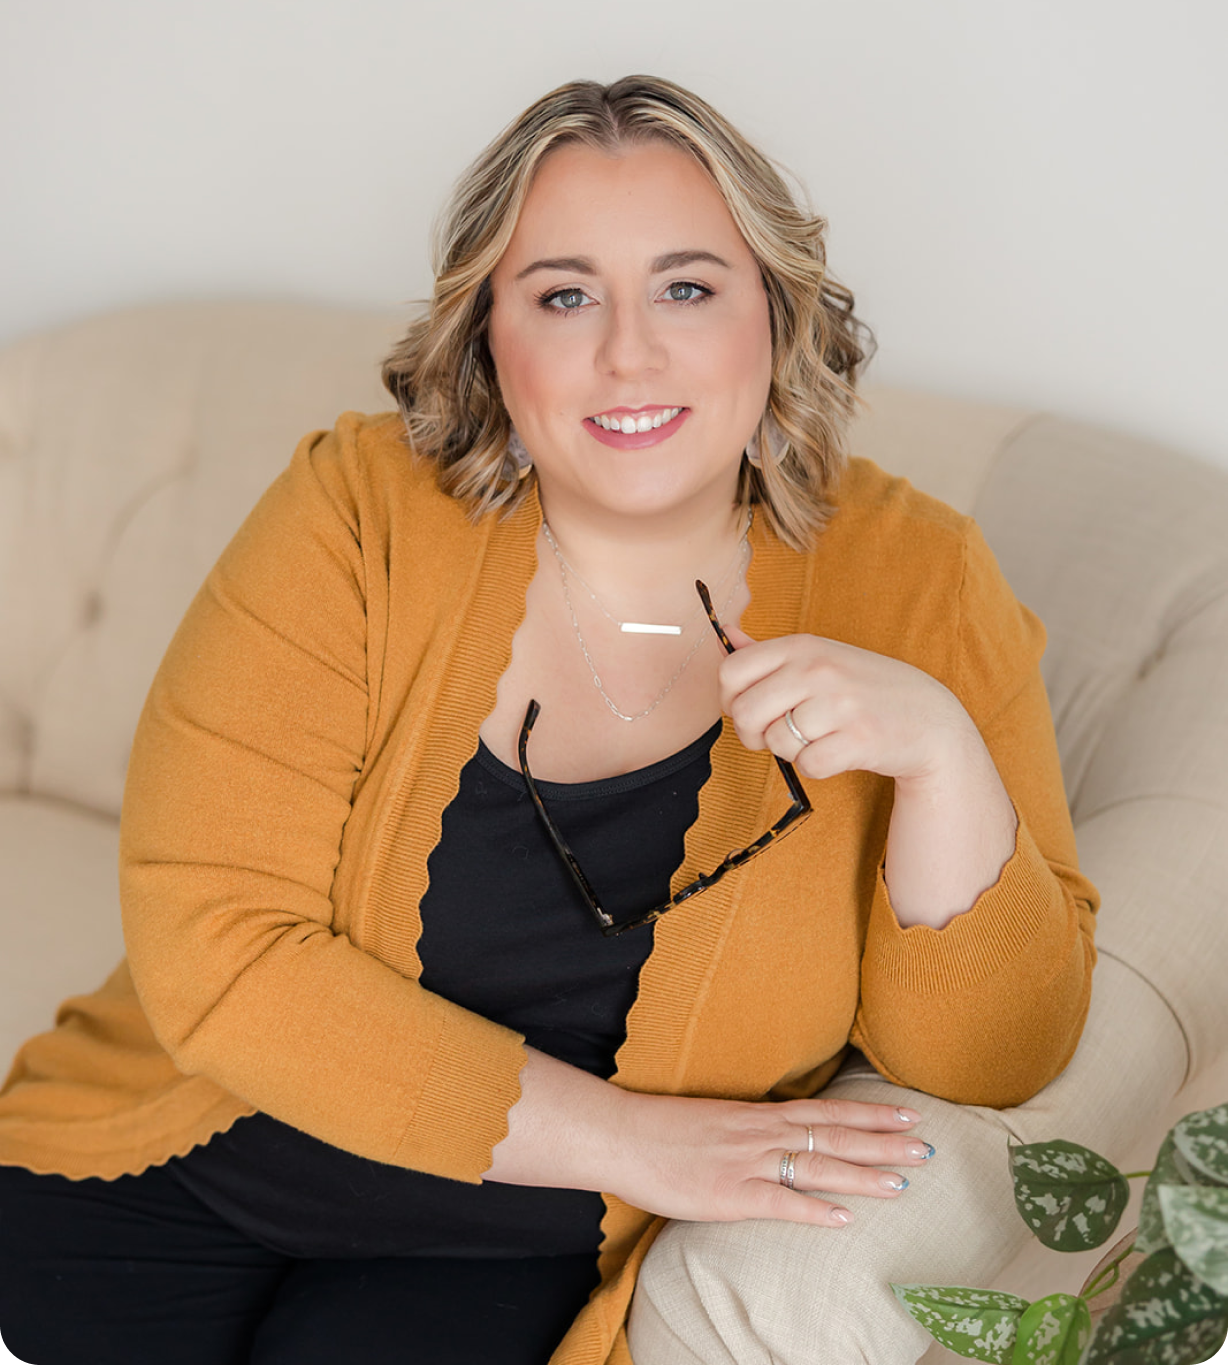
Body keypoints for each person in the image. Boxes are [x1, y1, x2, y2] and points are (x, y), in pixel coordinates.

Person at [0, 75, 1098, 1365]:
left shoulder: (919, 581)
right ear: (487, 336)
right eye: (565, 295)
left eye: (688, 287)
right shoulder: (357, 514)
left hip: (509, 1252)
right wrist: (647, 1144)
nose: (628, 352)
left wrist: (941, 759)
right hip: (195, 1153)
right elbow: (218, 945)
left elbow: (995, 1057)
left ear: (777, 313)